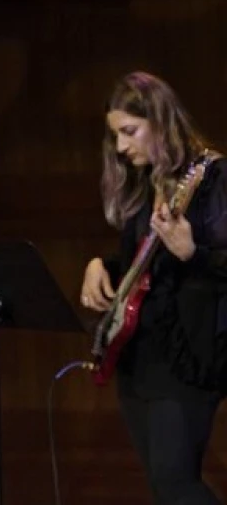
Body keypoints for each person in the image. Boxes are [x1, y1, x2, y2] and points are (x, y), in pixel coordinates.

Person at [80, 71, 227, 504]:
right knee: (164, 490)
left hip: (189, 356)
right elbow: (139, 264)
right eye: (116, 136)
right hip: (139, 356)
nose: (122, 148)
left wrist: (192, 253)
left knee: (176, 485)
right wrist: (98, 265)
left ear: (161, 120)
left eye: (130, 132)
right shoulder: (146, 186)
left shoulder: (213, 180)